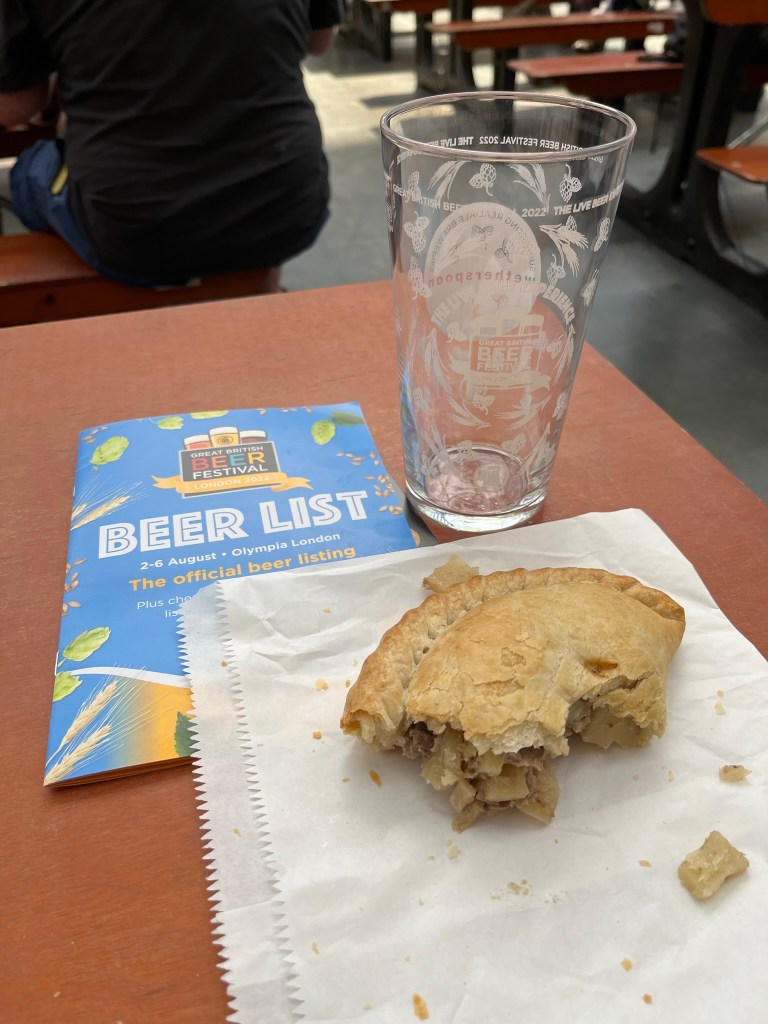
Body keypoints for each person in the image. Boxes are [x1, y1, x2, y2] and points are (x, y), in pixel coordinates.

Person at [0, 1, 342, 291]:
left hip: (136, 230)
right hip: (287, 204)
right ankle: (257, 297)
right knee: (250, 164)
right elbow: (319, 39)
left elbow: (16, 106)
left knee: (27, 173)